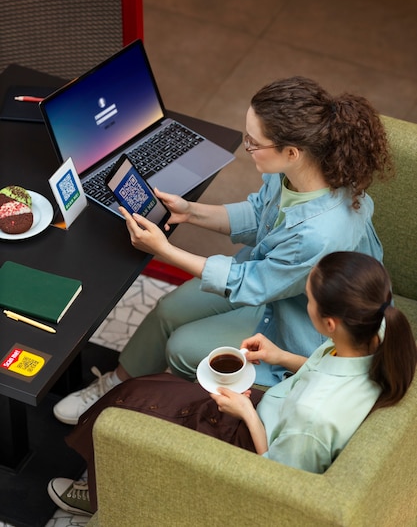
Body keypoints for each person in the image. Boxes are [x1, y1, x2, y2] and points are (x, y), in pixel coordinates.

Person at [54, 76, 393, 426]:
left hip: (305, 328)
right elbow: (259, 213)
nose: (247, 147)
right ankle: (116, 384)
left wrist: (164, 251)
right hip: (275, 285)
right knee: (168, 309)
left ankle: (163, 412)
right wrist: (190, 212)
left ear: (291, 152)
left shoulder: (320, 233)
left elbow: (251, 283)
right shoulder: (299, 173)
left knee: (183, 349)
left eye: (253, 142)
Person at [47, 251, 417, 516]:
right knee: (144, 389)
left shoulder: (314, 416)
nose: (305, 307)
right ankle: (104, 474)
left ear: (331, 323)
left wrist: (247, 414)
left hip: (254, 444)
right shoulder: (375, 332)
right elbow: (325, 369)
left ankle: (100, 496)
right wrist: (281, 357)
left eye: (307, 301)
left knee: (124, 410)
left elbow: (279, 479)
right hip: (273, 410)